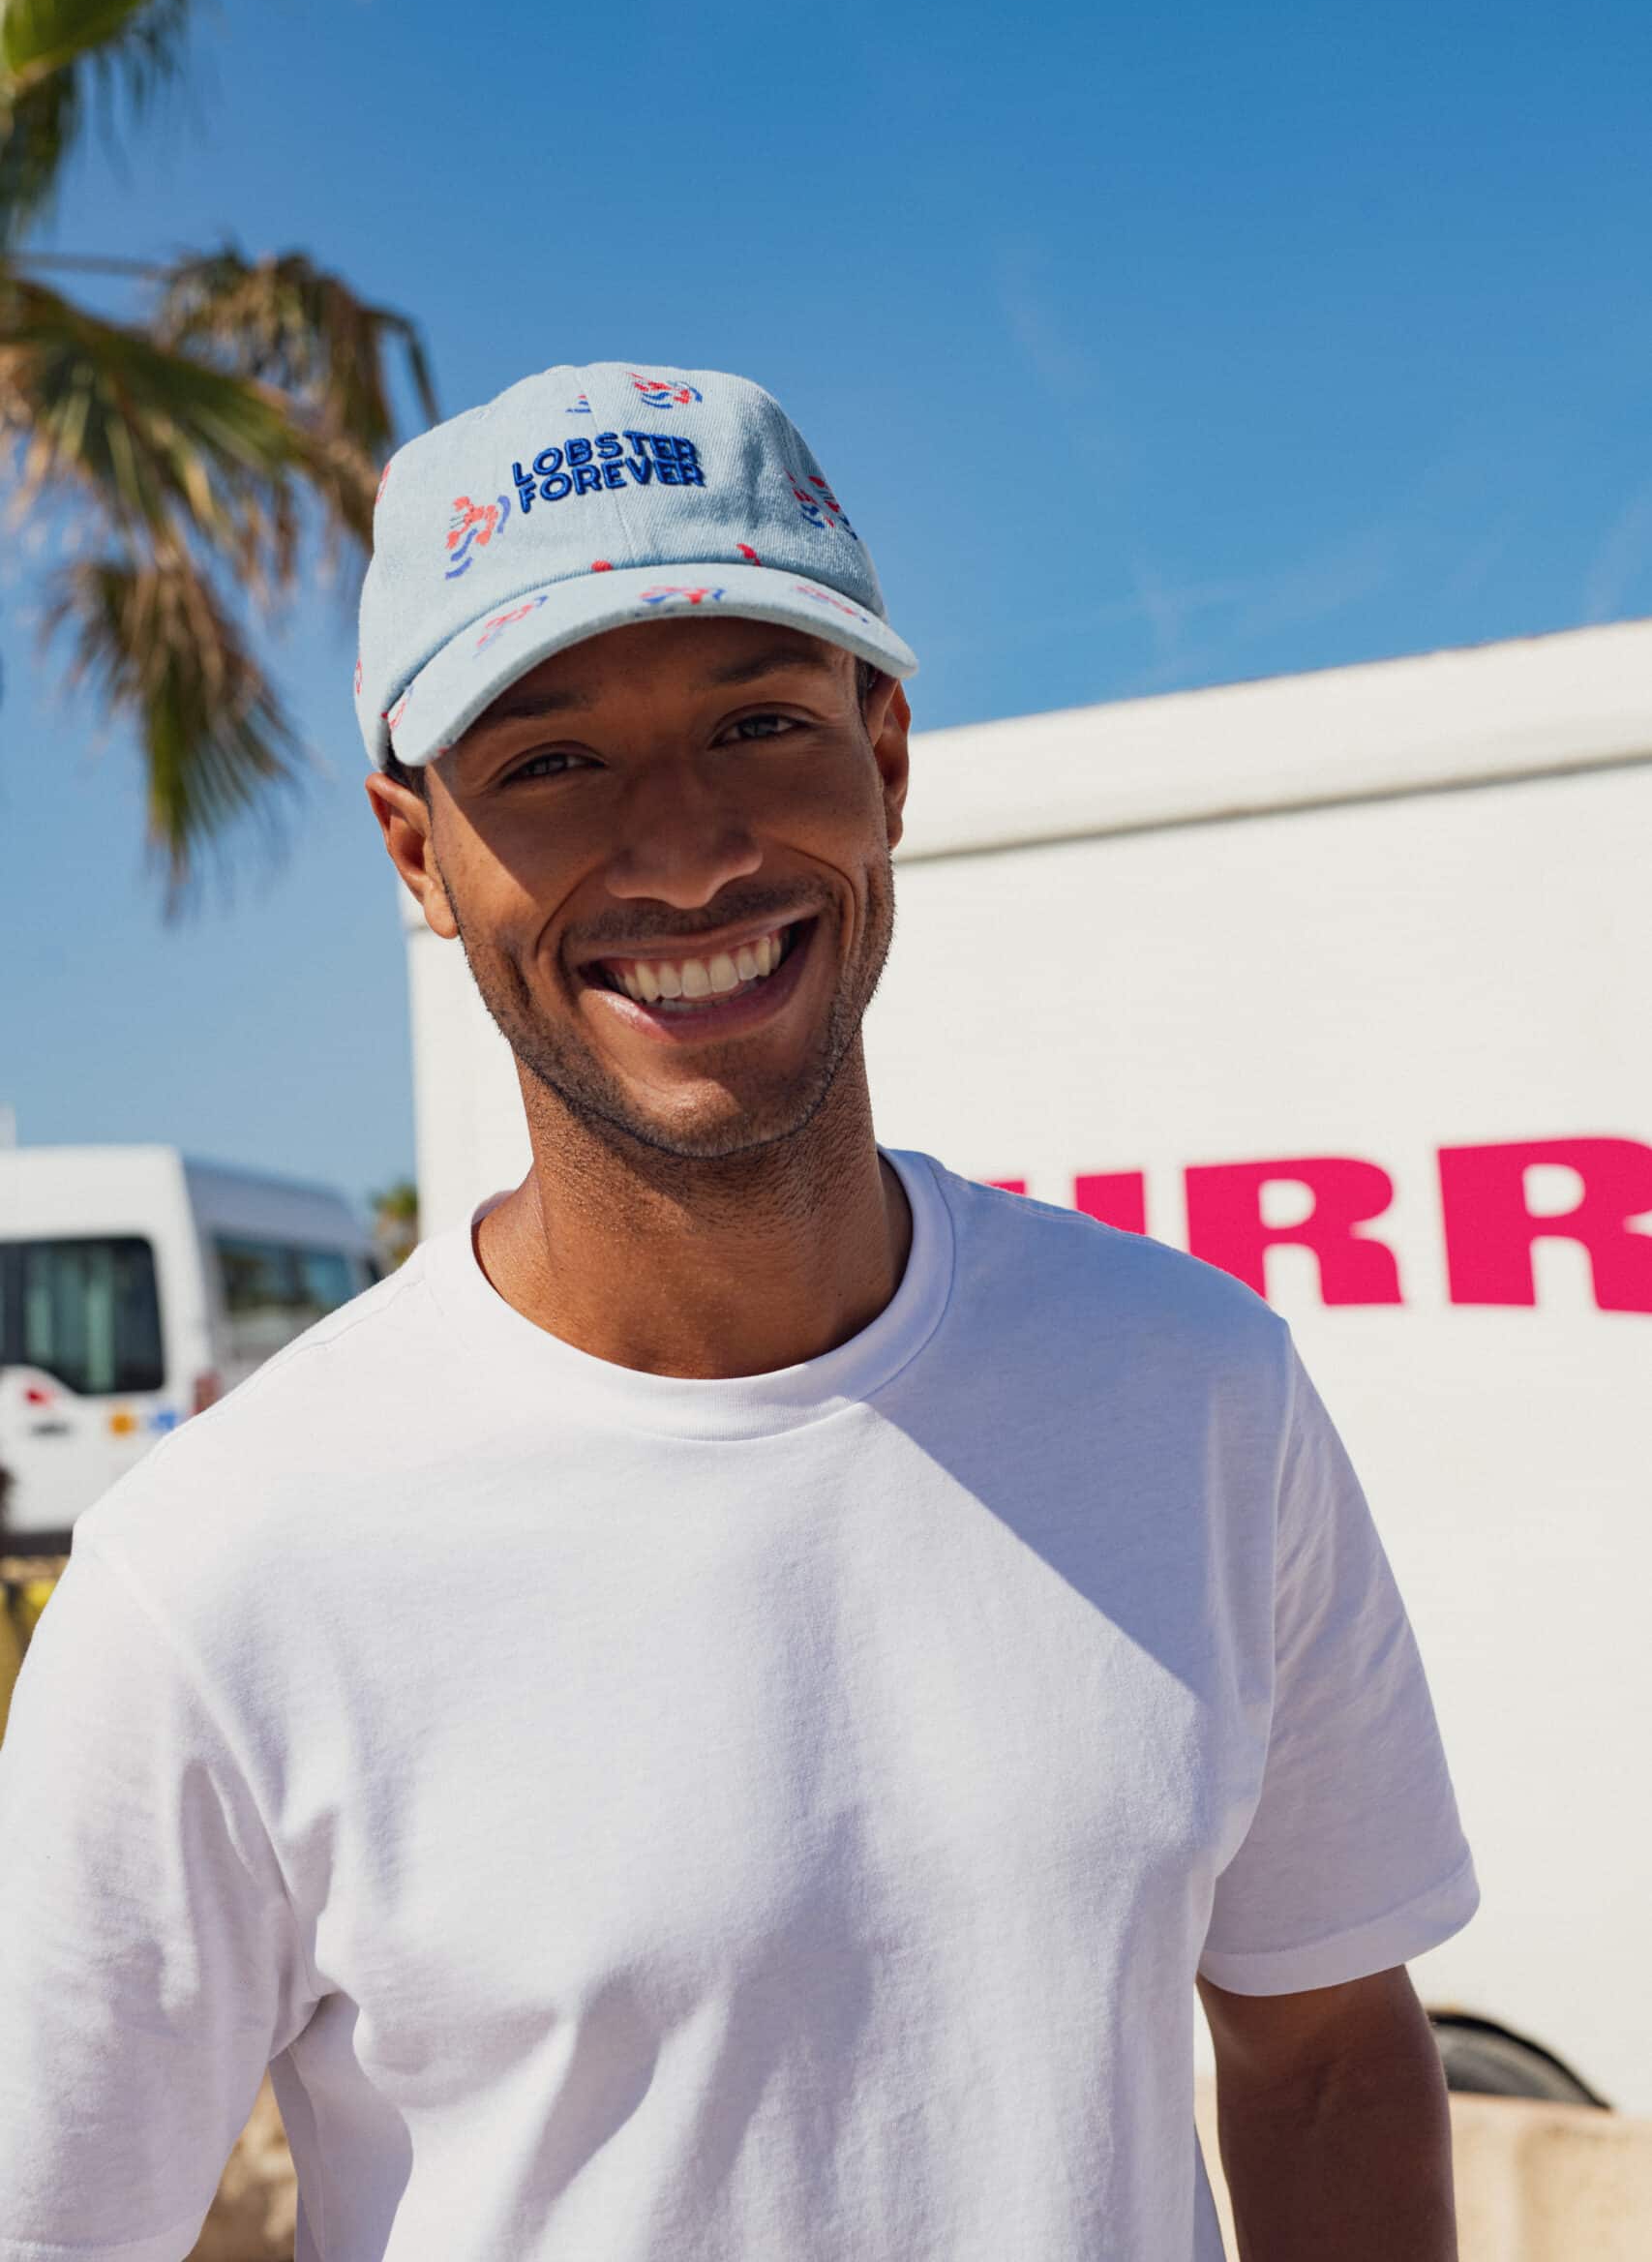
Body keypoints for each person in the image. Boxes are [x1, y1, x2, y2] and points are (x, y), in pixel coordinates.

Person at [0, 363, 1478, 2261]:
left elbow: (1329, 2062)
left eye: (759, 722)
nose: (686, 848)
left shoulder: (1193, 1388)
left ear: (886, 757)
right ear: (413, 851)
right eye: (548, 761)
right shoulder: (215, 1579)